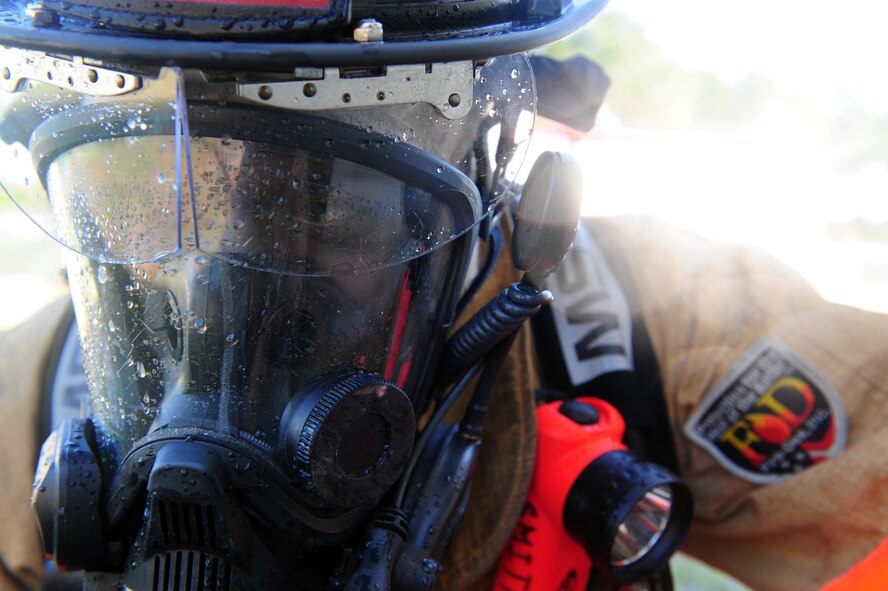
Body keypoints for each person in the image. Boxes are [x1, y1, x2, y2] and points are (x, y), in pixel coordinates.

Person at [1, 2, 887, 591]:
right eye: (156, 195)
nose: (223, 279)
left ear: (491, 173)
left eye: (332, 206)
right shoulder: (18, 403)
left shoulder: (649, 323)